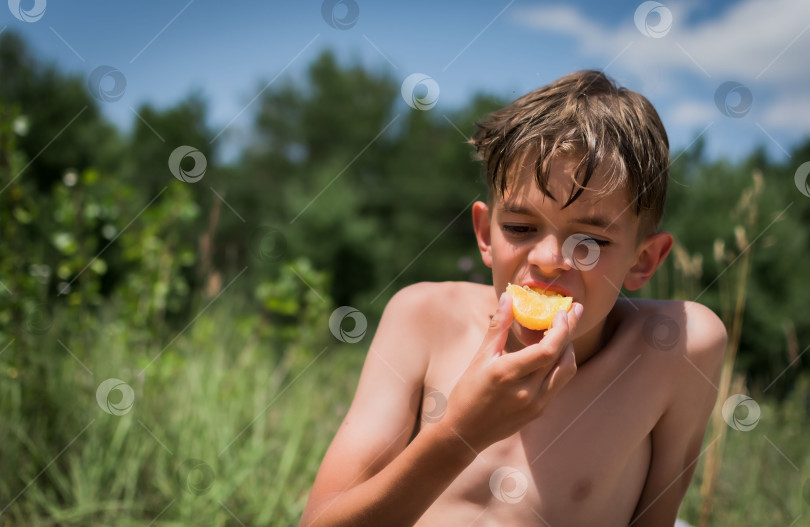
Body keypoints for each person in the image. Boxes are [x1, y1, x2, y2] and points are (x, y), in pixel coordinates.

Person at [300, 70, 726, 526]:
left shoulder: (675, 350)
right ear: (485, 234)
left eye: (589, 242)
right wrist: (461, 432)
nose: (547, 260)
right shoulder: (422, 318)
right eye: (521, 228)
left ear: (643, 262)